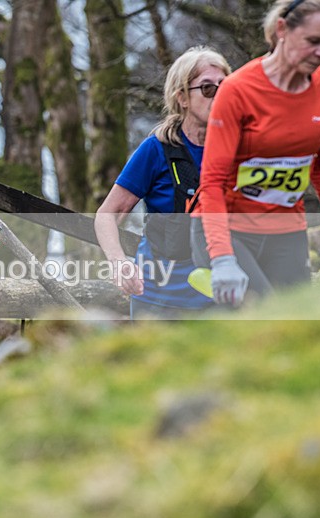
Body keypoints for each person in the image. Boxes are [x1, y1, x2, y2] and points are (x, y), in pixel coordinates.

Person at [191, 0, 320, 307]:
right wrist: (221, 257)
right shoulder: (237, 90)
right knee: (263, 315)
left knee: (298, 321)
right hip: (228, 229)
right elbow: (212, 181)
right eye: (314, 41)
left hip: (287, 229)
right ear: (282, 29)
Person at [94, 46, 231, 318]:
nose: (218, 95)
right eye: (207, 88)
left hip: (220, 296)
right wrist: (119, 262)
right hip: (158, 297)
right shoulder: (156, 149)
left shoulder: (238, 147)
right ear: (182, 97)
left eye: (225, 87)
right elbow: (107, 214)